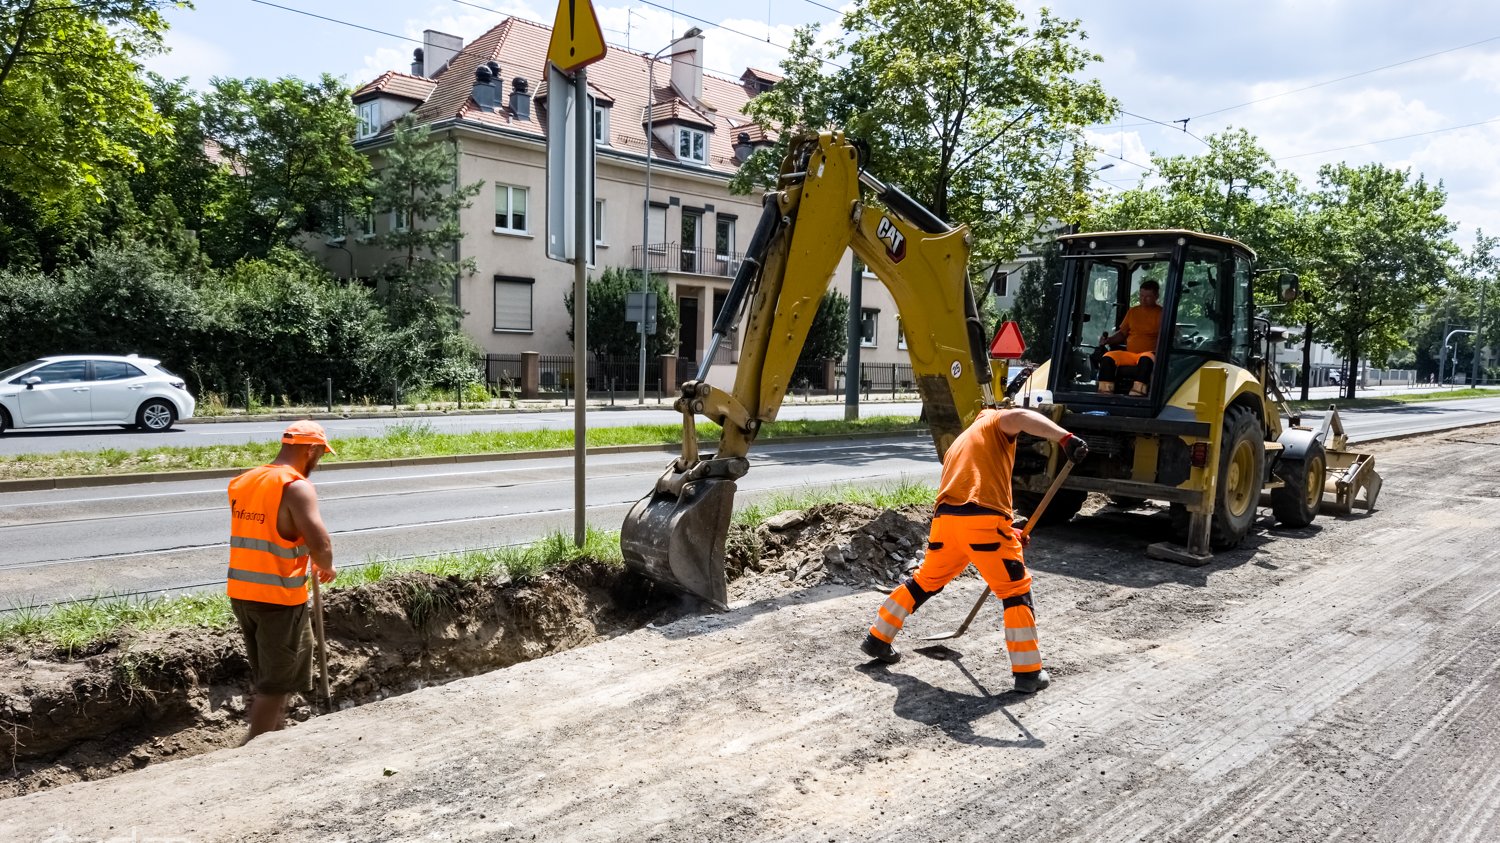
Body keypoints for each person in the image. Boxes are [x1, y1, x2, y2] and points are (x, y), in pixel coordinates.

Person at [860, 407, 1089, 694]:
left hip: (946, 524)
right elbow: (1019, 417)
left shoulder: (963, 441)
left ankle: (878, 638)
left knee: (923, 582)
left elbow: (972, 495)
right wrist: (1065, 438)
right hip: (982, 524)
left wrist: (1010, 532)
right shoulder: (995, 421)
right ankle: (1029, 672)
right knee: (1015, 589)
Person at [227, 420, 337, 743]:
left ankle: (275, 736)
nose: (318, 462)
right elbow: (321, 544)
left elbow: (269, 531)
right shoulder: (296, 486)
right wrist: (325, 565)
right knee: (275, 684)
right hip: (279, 596)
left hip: (243, 594)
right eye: (320, 455)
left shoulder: (244, 481)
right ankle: (258, 749)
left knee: (273, 676)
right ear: (312, 449)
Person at [1097, 279, 1163, 396]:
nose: (1143, 299)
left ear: (1156, 296)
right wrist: (1108, 340)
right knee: (1108, 357)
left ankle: (1137, 393)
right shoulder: (1133, 311)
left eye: (1147, 296)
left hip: (1150, 353)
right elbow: (1122, 333)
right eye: (1141, 295)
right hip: (1131, 354)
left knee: (1145, 359)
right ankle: (1105, 392)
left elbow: (1168, 335)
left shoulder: (1162, 313)